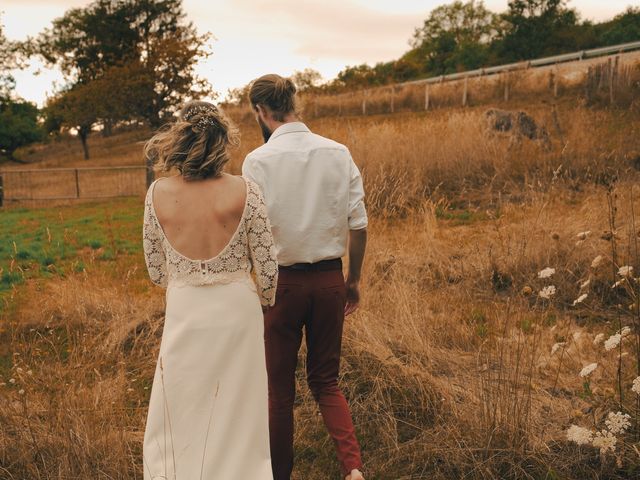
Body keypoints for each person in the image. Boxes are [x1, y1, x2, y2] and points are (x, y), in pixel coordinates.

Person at [141, 100, 277, 479]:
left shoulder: (157, 194)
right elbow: (267, 269)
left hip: (186, 308)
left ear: (178, 139)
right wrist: (264, 302)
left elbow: (156, 271)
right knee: (238, 403)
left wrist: (188, 279)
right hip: (237, 310)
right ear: (223, 142)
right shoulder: (245, 191)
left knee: (183, 397)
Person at [242, 74, 368, 480]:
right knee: (326, 381)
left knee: (279, 391)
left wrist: (260, 283)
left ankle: (281, 476)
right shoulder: (338, 152)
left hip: (281, 284)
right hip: (330, 280)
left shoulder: (257, 161)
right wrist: (353, 280)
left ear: (260, 111)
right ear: (295, 102)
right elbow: (359, 224)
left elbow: (252, 232)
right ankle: (353, 469)